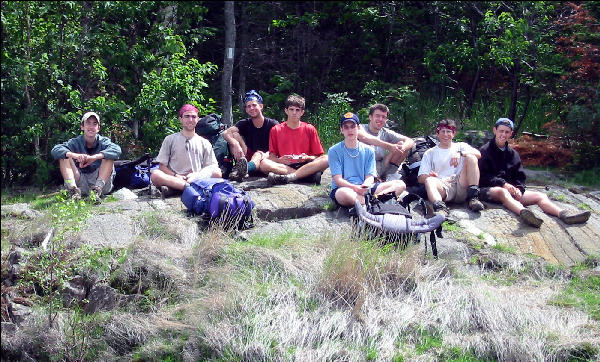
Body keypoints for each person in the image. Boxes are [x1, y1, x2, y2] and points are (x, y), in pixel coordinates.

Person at [478, 118, 591, 227]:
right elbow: (481, 177)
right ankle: (525, 213)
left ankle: (564, 215)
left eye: (507, 132)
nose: (503, 134)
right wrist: (503, 184)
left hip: (511, 193)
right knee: (503, 192)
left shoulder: (513, 155)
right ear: (495, 130)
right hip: (489, 190)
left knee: (540, 195)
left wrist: (519, 189)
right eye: (501, 131)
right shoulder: (484, 151)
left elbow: (520, 177)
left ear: (511, 134)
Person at [328, 112, 406, 207]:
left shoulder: (369, 150)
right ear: (341, 130)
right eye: (346, 127)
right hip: (345, 188)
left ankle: (372, 201)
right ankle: (377, 201)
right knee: (342, 194)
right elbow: (338, 180)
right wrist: (356, 188)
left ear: (358, 128)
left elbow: (370, 177)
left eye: (353, 126)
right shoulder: (334, 151)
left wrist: (364, 187)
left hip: (365, 188)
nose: (350, 130)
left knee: (400, 184)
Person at [150, 104, 222, 198]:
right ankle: (188, 187)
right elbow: (162, 166)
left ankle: (178, 189)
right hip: (175, 178)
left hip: (196, 178)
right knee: (155, 174)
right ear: (181, 119)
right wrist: (176, 175)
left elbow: (212, 166)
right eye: (187, 116)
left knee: (217, 172)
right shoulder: (170, 139)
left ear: (198, 119)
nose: (190, 120)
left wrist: (197, 175)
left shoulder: (204, 142)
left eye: (193, 117)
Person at [417, 119, 485, 216]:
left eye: (449, 131)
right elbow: (420, 178)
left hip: (462, 183)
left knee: (471, 157)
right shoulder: (430, 153)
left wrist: (460, 153)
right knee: (429, 181)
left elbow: (478, 154)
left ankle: (473, 198)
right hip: (444, 186)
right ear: (438, 133)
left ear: (453, 133)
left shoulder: (461, 146)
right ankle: (440, 208)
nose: (446, 135)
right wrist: (429, 176)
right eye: (443, 131)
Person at [51, 111, 122, 203]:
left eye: (94, 124)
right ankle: (73, 191)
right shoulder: (75, 142)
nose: (91, 127)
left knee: (109, 156)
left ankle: (96, 192)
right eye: (88, 123)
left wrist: (94, 157)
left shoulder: (104, 141)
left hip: (100, 182)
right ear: (82, 126)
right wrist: (74, 155)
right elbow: (56, 150)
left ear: (98, 128)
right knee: (64, 156)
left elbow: (117, 150)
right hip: (80, 181)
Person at [262, 94, 329, 184]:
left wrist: (307, 157)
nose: (294, 113)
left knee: (327, 158)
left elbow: (318, 157)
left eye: (297, 110)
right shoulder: (276, 129)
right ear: (286, 111)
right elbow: (272, 157)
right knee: (264, 163)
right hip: (285, 166)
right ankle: (305, 177)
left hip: (306, 165)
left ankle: (288, 177)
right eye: (291, 109)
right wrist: (279, 160)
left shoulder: (310, 128)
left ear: (302, 112)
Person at [222, 90, 279, 182]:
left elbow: (279, 145)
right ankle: (240, 167)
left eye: (254, 105)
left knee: (258, 154)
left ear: (261, 106)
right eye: (248, 106)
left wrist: (265, 154)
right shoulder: (244, 123)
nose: (251, 108)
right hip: (248, 156)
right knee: (234, 134)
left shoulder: (272, 124)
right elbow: (225, 133)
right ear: (246, 109)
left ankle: (244, 170)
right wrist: (236, 144)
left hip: (267, 158)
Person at [357, 103, 415, 181]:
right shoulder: (360, 127)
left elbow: (410, 141)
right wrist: (389, 146)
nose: (380, 119)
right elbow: (364, 137)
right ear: (370, 117)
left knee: (402, 144)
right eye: (377, 116)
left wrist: (401, 148)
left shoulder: (385, 132)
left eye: (383, 117)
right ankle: (373, 179)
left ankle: (389, 176)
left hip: (381, 165)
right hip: (363, 167)